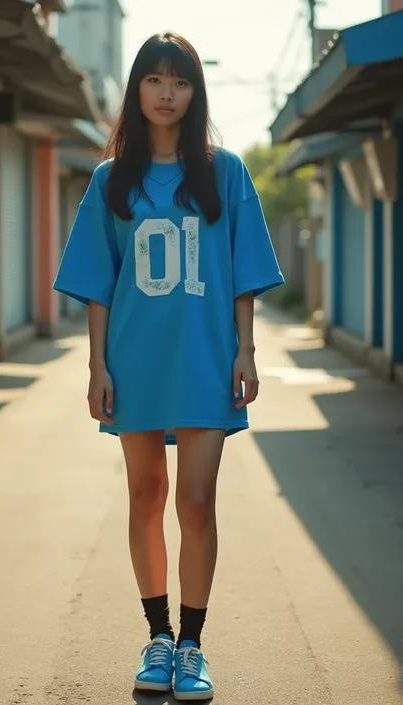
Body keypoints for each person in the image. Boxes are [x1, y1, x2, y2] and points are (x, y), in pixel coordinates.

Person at [53, 31, 284, 701]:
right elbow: (99, 281)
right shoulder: (110, 178)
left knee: (198, 499)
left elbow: (242, 273)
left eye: (178, 81)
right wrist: (97, 365)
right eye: (153, 80)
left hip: (208, 358)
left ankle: (193, 644)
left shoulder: (226, 171)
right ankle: (157, 636)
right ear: (137, 89)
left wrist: (246, 348)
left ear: (193, 91)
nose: (166, 92)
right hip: (137, 361)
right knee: (147, 494)